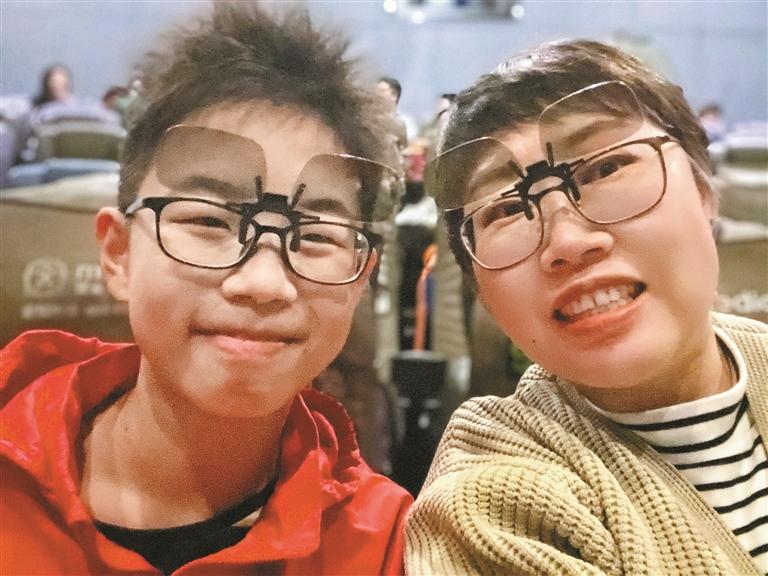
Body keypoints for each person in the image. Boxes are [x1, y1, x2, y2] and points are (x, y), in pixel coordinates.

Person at [0, 3, 412, 575]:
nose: (263, 284)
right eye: (209, 221)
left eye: (316, 236)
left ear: (361, 279)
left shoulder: (382, 544)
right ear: (118, 253)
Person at [405, 39, 767, 575]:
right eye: (507, 208)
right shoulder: (497, 510)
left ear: (704, 190)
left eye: (605, 169)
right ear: (480, 287)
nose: (568, 242)